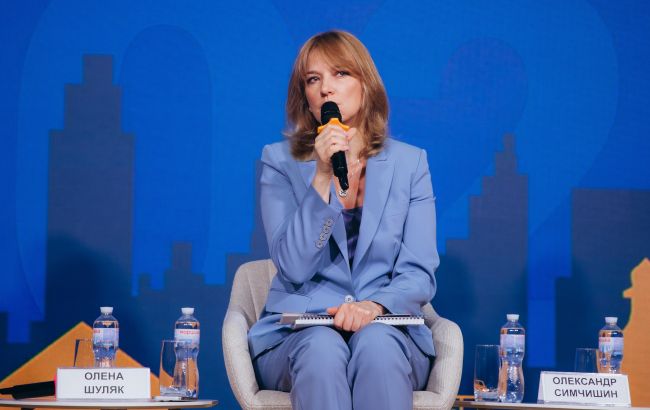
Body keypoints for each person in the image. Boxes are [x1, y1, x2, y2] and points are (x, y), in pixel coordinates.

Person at [248, 30, 439, 410]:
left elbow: (419, 273)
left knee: (378, 347)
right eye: (313, 79)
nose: (325, 89)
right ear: (305, 98)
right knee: (322, 349)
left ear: (366, 84)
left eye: (340, 73)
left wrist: (374, 306)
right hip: (299, 331)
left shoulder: (410, 164)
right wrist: (322, 178)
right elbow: (293, 265)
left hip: (387, 329)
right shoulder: (279, 161)